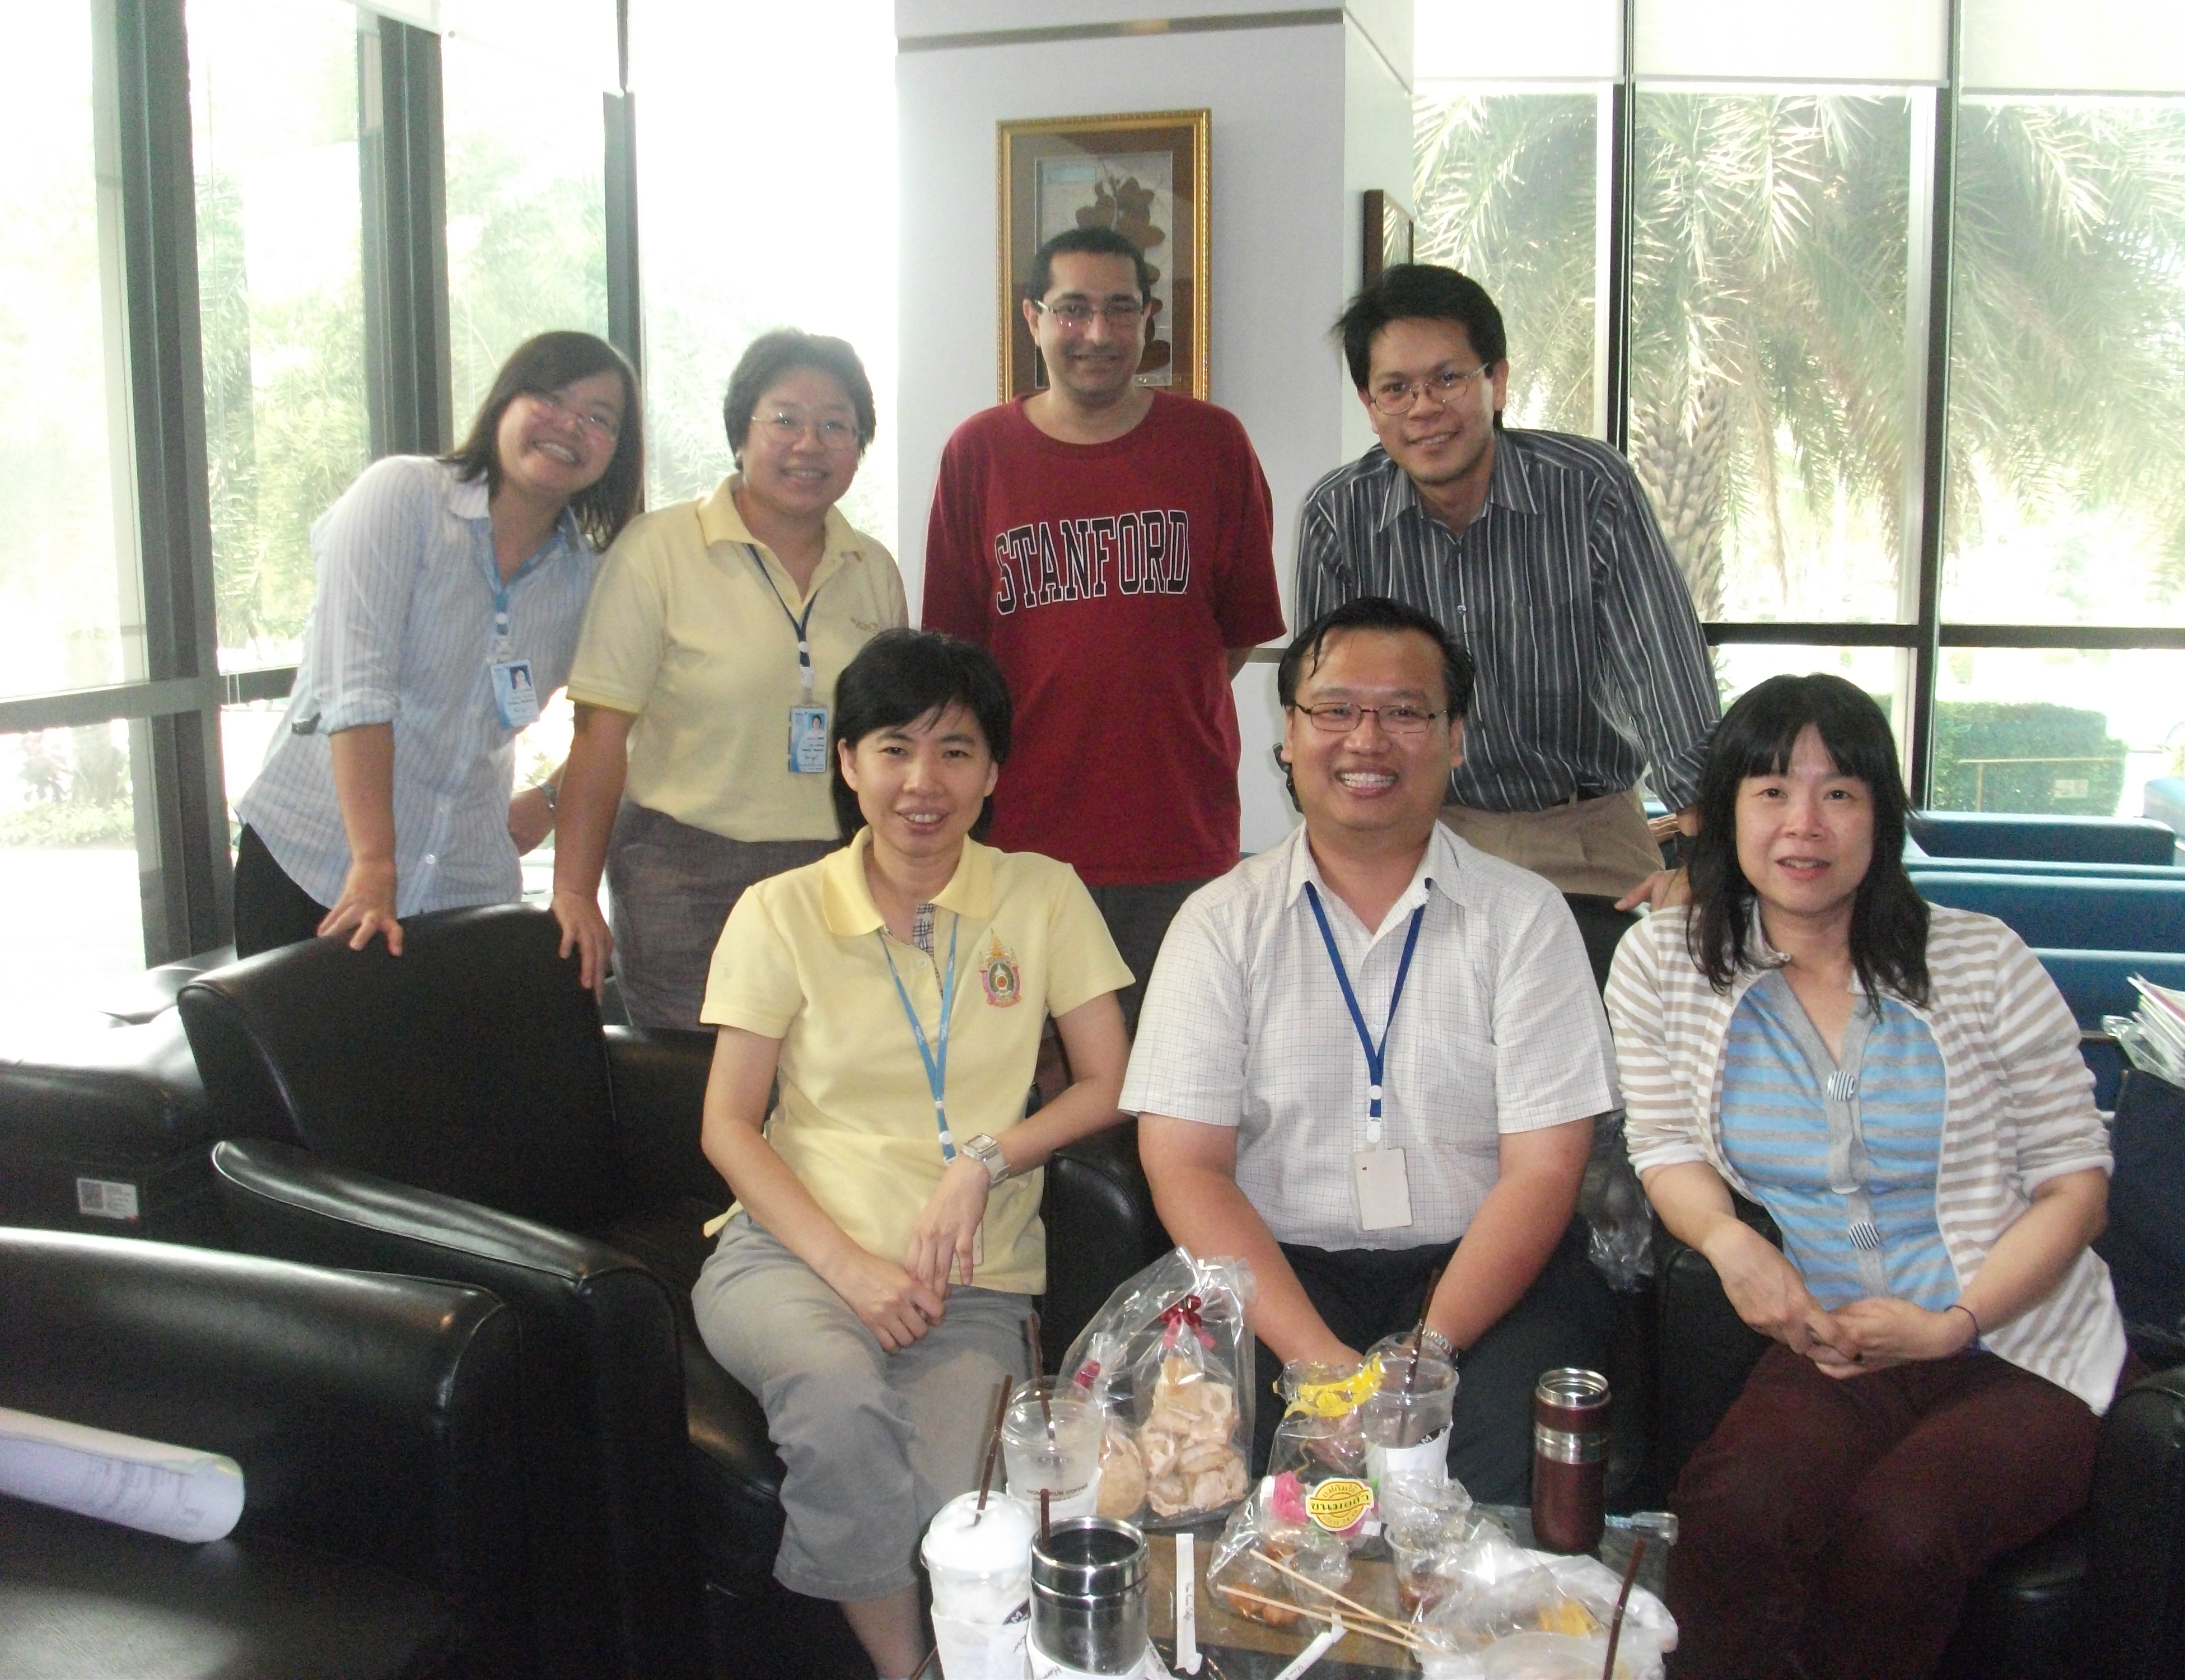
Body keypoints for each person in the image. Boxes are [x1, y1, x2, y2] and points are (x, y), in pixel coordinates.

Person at [1602, 673, 2130, 1680]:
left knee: (1901, 1534)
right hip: (1836, 1338)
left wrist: (1955, 1323)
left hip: (2022, 1343)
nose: (1804, 824)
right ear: (1724, 813)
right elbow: (1664, 1144)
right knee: (1731, 1510)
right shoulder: (1666, 961)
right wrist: (1728, 1242)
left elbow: (2077, 1186)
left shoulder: (1982, 961)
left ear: (1882, 817)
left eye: (1839, 792)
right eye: (1771, 791)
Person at [692, 629, 1132, 1680]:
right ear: (847, 761)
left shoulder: (1043, 895)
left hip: (972, 1283)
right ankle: (907, 1673)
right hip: (792, 1260)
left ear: (994, 772)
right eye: (894, 748)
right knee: (840, 1406)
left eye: (956, 751)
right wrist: (851, 1269)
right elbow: (727, 1125)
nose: (922, 783)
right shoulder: (780, 910)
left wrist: (984, 1160)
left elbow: (1112, 1082)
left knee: (967, 1514)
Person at [1125, 596, 1620, 1504]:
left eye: (1404, 712)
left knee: (1492, 1470)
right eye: (1337, 710)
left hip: (1482, 1279)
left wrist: (1423, 1359)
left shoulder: (1526, 920)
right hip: (1276, 1282)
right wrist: (1323, 1369)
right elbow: (1185, 1165)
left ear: (1456, 738)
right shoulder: (1219, 925)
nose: (1367, 739)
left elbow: (1546, 1170)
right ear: (1288, 735)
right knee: (1217, 1472)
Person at [1296, 263, 1720, 986]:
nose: (1424, 408)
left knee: (1625, 1027)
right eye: (1396, 389)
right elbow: (1324, 714)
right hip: (1421, 838)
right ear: (1369, 405)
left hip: (1583, 838)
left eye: (1448, 379)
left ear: (1497, 380)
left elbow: (1664, 674)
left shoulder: (1588, 490)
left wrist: (1710, 856)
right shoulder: (1340, 516)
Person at [923, 225, 1287, 1028]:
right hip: (1019, 838)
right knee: (1025, 1069)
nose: (1097, 332)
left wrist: (1154, 689)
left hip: (1176, 834)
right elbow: (956, 658)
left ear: (1149, 317)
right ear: (1033, 318)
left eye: (1121, 309)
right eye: (1072, 309)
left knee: (1173, 1068)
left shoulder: (1213, 444)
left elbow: (1235, 633)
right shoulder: (978, 454)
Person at [232, 330, 643, 959]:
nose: (570, 426)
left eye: (599, 418)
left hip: (465, 882)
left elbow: (623, 718)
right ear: (504, 403)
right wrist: (375, 860)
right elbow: (356, 690)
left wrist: (550, 800)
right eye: (550, 398)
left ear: (616, 451)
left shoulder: (584, 578)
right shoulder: (404, 496)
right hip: (319, 866)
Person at [550, 330, 907, 1028]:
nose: (809, 444)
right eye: (785, 420)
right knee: (701, 1076)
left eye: (836, 426)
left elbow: (890, 745)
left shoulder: (873, 570)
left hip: (838, 872)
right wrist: (573, 891)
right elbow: (598, 740)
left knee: (832, 1072)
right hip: (686, 872)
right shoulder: (656, 550)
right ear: (740, 433)